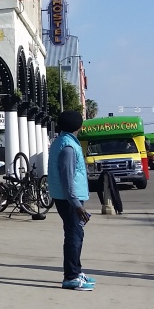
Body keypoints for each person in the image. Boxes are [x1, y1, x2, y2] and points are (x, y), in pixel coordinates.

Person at [47, 111, 95, 291]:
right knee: (74, 236)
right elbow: (67, 178)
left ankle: (76, 271)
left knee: (76, 234)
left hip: (67, 197)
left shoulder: (62, 142)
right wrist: (76, 204)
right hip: (69, 199)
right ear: (79, 126)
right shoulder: (68, 147)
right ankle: (71, 277)